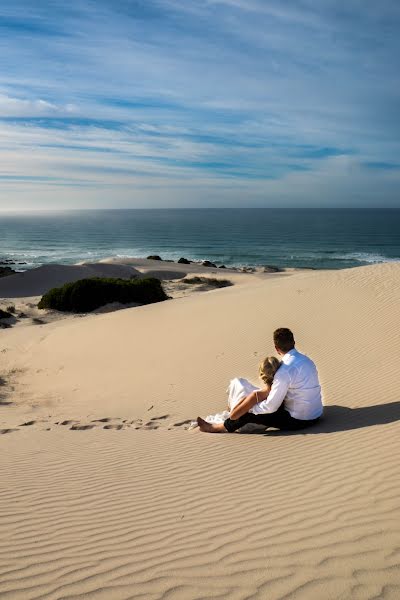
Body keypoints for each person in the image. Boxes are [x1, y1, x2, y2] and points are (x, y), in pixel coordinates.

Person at [197, 328, 323, 433]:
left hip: (299, 421)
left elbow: (271, 407)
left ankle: (216, 427)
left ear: (276, 348)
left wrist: (250, 408)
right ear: (294, 342)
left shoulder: (284, 371)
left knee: (248, 413)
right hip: (317, 415)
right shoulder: (307, 361)